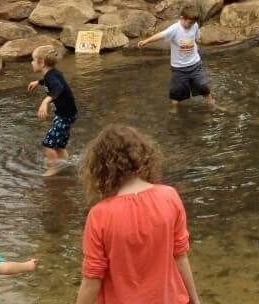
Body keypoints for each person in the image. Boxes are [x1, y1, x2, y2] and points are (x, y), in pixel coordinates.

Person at [76, 125, 202, 304]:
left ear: (101, 168)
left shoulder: (100, 215)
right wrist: (195, 300)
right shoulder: (169, 196)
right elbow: (180, 256)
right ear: (142, 156)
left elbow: (92, 280)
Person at [138, 6, 216, 108]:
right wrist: (146, 41)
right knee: (177, 92)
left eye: (193, 23)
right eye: (189, 23)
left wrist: (196, 44)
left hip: (195, 64)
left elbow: (196, 37)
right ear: (182, 18)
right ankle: (175, 111)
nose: (191, 25)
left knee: (203, 87)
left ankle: (212, 105)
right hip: (179, 68)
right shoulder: (175, 29)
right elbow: (161, 35)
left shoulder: (195, 25)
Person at [26, 44, 78, 175]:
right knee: (59, 145)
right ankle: (66, 164)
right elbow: (50, 81)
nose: (31, 63)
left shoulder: (51, 77)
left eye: (33, 60)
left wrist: (45, 101)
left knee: (47, 145)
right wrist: (38, 82)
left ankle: (54, 168)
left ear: (41, 63)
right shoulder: (52, 73)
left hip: (64, 116)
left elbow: (58, 88)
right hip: (68, 114)